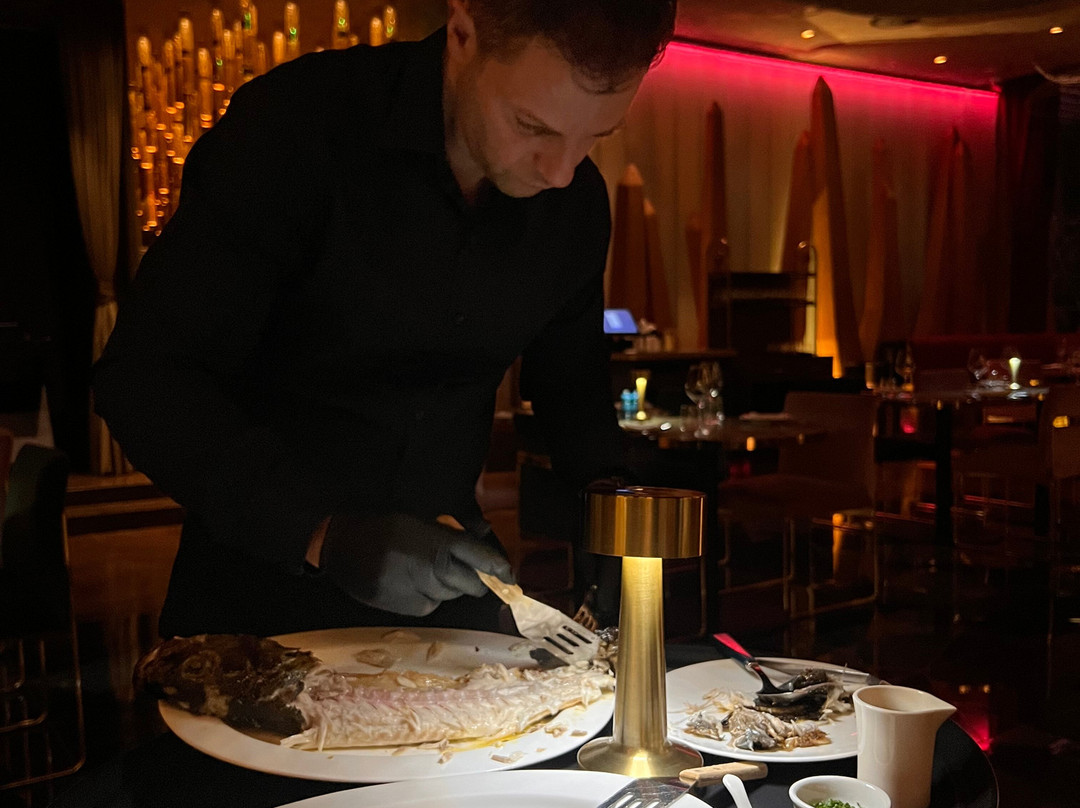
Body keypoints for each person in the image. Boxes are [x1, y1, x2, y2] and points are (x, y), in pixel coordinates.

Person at [93, 0, 677, 639]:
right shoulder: (297, 128)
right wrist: (321, 532)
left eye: (596, 137)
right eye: (531, 125)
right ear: (463, 34)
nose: (561, 172)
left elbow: (572, 391)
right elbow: (146, 376)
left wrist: (610, 502)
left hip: (454, 614)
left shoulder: (575, 207)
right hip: (255, 605)